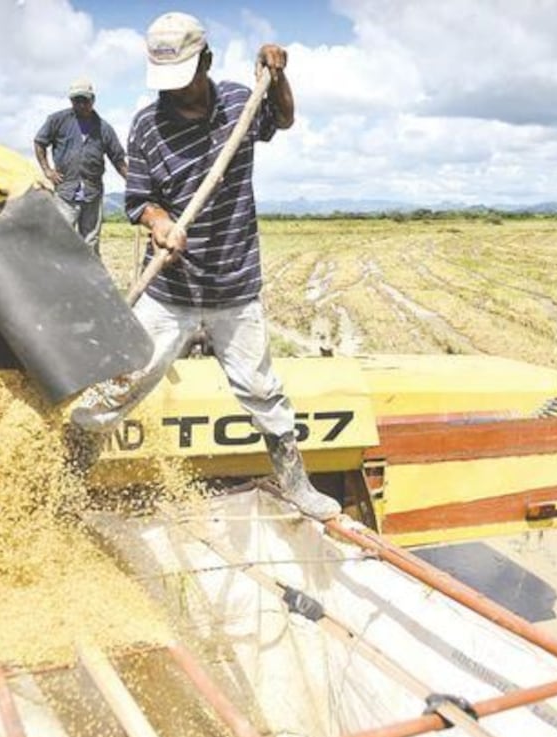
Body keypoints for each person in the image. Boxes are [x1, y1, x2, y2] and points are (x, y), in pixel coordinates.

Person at [70, 11, 340, 521]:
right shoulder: (147, 124)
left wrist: (277, 78)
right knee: (117, 387)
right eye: (166, 84)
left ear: (207, 62)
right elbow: (139, 198)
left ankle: (297, 483)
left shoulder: (241, 102)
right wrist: (159, 222)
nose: (174, 94)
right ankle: (66, 480)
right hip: (169, 291)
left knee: (262, 391)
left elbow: (282, 119)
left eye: (185, 81)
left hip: (233, 286)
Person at [33, 78, 128, 256]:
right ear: (71, 101)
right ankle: (61, 279)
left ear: (93, 100)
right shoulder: (57, 120)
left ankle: (89, 281)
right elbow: (40, 142)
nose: (81, 104)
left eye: (85, 100)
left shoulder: (104, 128)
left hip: (92, 192)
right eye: (77, 100)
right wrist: (47, 170)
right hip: (66, 191)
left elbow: (118, 159)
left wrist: (133, 183)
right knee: (61, 238)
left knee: (90, 241)